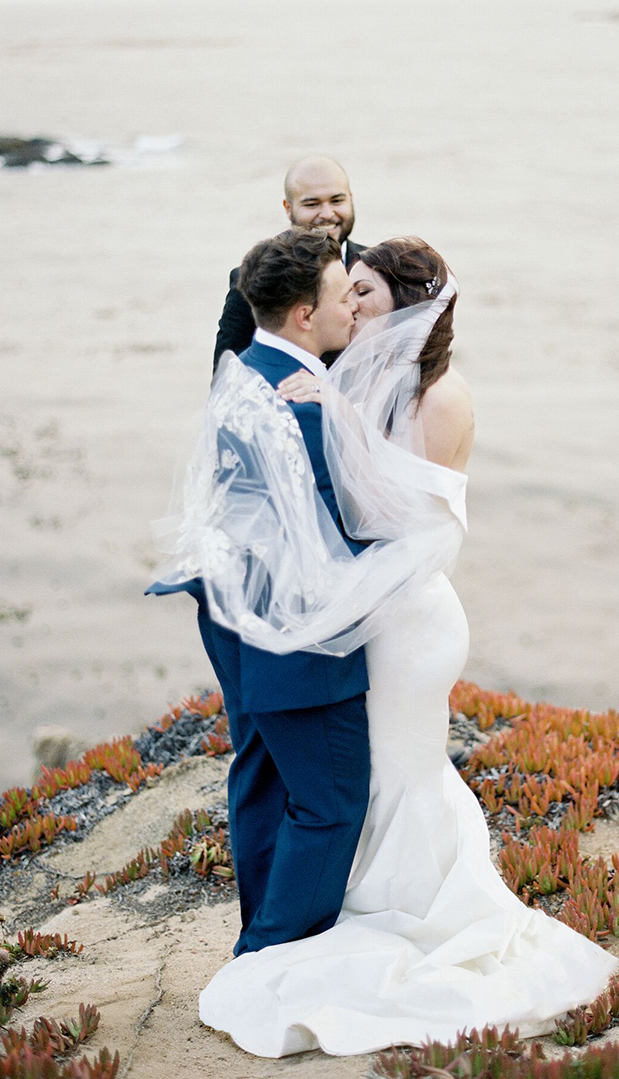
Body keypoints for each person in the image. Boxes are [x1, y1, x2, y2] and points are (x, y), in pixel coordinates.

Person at [187, 235, 619, 1056]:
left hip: (411, 616)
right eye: (345, 291)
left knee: (401, 768)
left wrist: (335, 416)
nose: (352, 306)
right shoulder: (348, 378)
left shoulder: (441, 396)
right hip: (371, 614)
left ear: (404, 309)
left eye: (366, 294)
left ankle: (425, 911)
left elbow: (407, 518)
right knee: (379, 772)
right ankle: (355, 906)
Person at [147, 229, 371, 959]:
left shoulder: (238, 373)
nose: (354, 307)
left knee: (263, 778)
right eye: (342, 296)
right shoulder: (306, 409)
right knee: (332, 800)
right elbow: (348, 533)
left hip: (230, 613)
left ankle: (261, 928)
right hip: (293, 634)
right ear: (305, 315)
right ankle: (267, 957)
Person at [212, 155, 366, 373]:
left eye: (337, 201)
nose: (327, 214)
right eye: (312, 204)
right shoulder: (261, 276)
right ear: (288, 208)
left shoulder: (377, 268)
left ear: (350, 199)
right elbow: (228, 375)